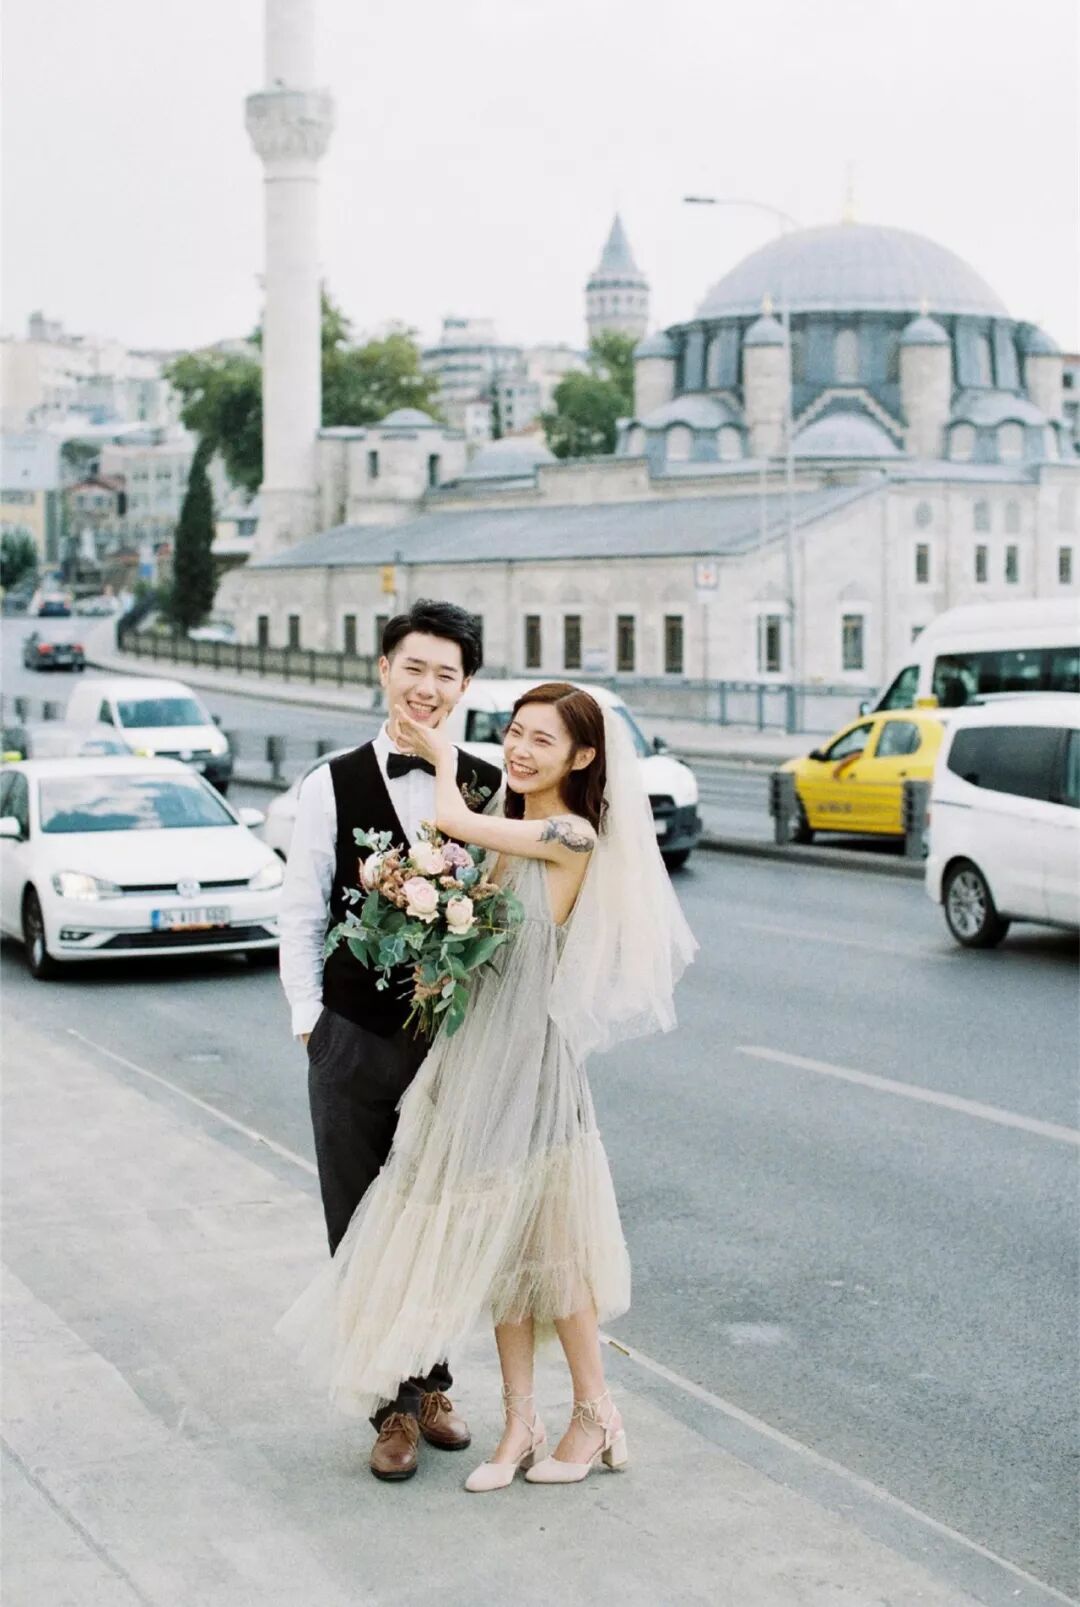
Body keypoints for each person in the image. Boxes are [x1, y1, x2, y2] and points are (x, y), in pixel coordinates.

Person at [278, 681, 696, 1491]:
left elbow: (452, 821)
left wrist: (438, 751)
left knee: (553, 1251)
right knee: (502, 1247)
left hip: (532, 1063)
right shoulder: (508, 829)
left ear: (582, 756)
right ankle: (520, 1424)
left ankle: (595, 1415)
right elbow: (478, 929)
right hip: (474, 1059)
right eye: (514, 732)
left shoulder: (568, 833)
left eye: (542, 739)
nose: (519, 749)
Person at [278, 599, 503, 1482]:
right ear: (384, 669)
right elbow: (301, 911)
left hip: (453, 1048)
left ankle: (434, 1383)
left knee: (440, 1218)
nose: (428, 686)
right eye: (414, 667)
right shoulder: (330, 783)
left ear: (465, 686)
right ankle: (390, 1407)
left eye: (446, 673)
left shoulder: (487, 783)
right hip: (351, 1039)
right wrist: (310, 1022)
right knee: (360, 1222)